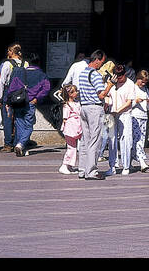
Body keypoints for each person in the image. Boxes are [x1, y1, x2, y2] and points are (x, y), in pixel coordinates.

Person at [70, 50, 109, 179]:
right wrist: (109, 85)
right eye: (102, 62)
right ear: (97, 60)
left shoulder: (82, 73)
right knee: (95, 140)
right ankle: (91, 171)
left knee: (85, 140)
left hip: (84, 107)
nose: (102, 65)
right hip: (94, 108)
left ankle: (82, 169)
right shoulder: (96, 75)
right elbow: (101, 94)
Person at [106, 66, 141, 175]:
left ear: (124, 75)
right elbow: (106, 95)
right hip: (111, 114)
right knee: (111, 140)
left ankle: (126, 166)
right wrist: (108, 104)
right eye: (116, 78)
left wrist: (117, 111)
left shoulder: (130, 84)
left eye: (120, 78)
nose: (118, 80)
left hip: (124, 114)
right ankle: (112, 166)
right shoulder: (111, 82)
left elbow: (129, 102)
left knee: (125, 139)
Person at [0, 43, 23, 152]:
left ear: (11, 52)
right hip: (21, 93)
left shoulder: (7, 64)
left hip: (9, 93)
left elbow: (2, 81)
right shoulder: (25, 64)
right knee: (19, 118)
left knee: (7, 118)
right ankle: (18, 142)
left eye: (8, 51)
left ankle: (8, 144)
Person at [131, 69, 149, 171]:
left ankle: (130, 160)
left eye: (145, 82)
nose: (143, 84)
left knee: (140, 139)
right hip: (134, 116)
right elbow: (128, 103)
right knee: (137, 139)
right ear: (138, 78)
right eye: (142, 81)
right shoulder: (132, 88)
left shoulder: (146, 90)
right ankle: (141, 160)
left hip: (144, 116)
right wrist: (136, 101)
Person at [59, 85, 83, 175]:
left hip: (76, 126)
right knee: (71, 147)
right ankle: (65, 164)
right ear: (69, 94)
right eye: (73, 91)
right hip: (70, 127)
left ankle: (69, 165)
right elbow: (65, 118)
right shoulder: (67, 105)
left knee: (73, 147)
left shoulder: (76, 103)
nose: (76, 93)